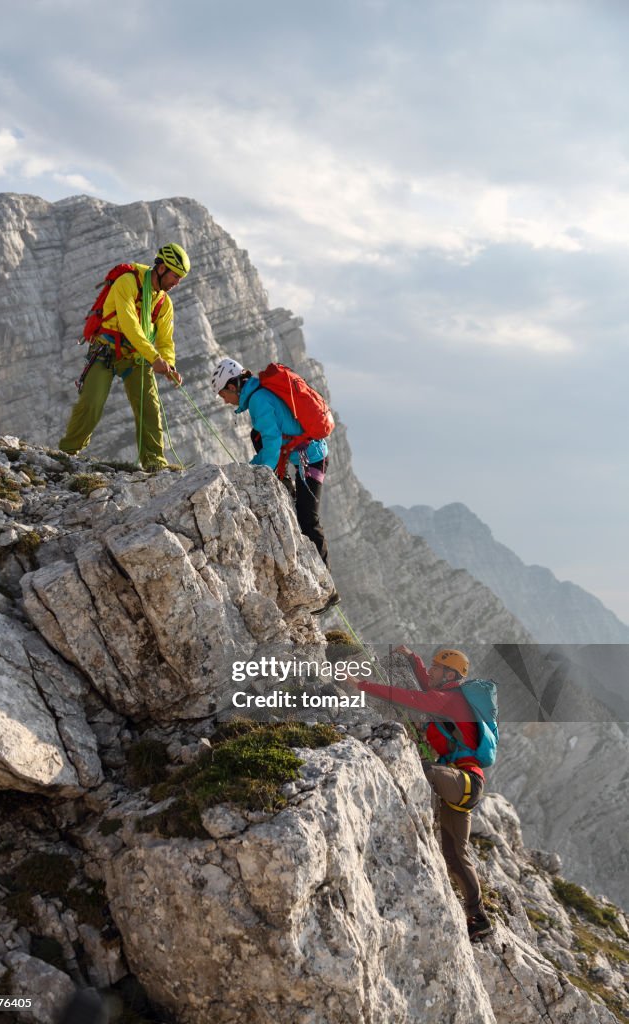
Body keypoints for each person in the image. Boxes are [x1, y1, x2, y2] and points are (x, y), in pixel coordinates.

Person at [355, 646, 493, 941]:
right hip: (463, 786)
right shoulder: (449, 696)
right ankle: (479, 920)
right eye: (430, 667)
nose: (430, 672)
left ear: (450, 675)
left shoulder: (450, 700)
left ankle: (477, 915)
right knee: (455, 857)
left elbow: (415, 698)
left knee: (422, 772)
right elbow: (427, 686)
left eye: (436, 668)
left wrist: (360, 685)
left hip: (463, 781)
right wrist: (413, 660)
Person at [211, 358, 337, 604]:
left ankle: (329, 589)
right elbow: (270, 440)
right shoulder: (260, 392)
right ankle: (285, 485)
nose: (224, 400)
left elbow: (272, 445)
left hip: (311, 459)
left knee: (308, 520)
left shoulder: (259, 400)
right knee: (255, 434)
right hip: (304, 456)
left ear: (233, 386)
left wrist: (253, 475)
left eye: (223, 394)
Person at [59, 243, 190, 471]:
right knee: (91, 403)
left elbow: (166, 341)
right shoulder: (127, 282)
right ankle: (67, 453)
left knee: (150, 408)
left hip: (137, 358)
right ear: (161, 269)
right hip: (106, 352)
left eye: (180, 278)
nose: (177, 282)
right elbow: (129, 325)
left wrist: (168, 364)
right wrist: (154, 358)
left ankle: (154, 463)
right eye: (175, 276)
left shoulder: (164, 303)